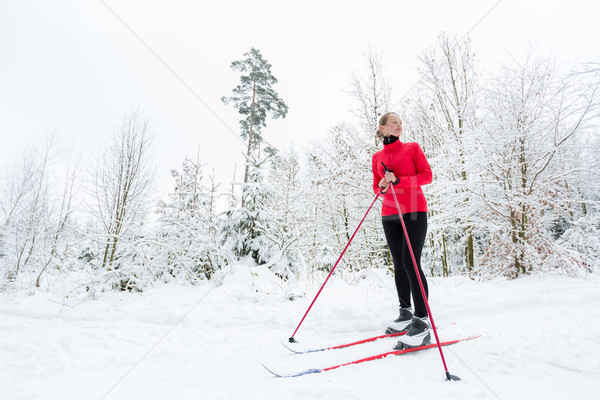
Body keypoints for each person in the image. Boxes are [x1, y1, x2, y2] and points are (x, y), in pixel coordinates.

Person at [371, 112, 433, 348]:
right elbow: (377, 190)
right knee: (398, 263)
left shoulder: (412, 148)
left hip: (414, 210)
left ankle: (422, 320)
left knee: (411, 262)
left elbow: (427, 176)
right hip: (389, 213)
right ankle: (405, 312)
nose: (398, 125)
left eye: (400, 122)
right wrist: (383, 186)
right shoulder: (377, 157)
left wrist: (399, 180)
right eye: (393, 122)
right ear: (383, 128)